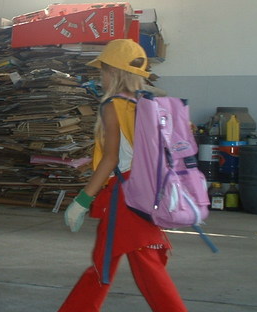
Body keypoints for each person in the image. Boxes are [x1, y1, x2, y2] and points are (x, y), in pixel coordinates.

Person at [60, 39, 186, 312]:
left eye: (103, 71)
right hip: (147, 191)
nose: (101, 77)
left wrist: (82, 200)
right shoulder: (146, 103)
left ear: (113, 72)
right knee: (121, 263)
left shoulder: (113, 106)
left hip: (125, 196)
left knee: (126, 266)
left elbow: (111, 159)